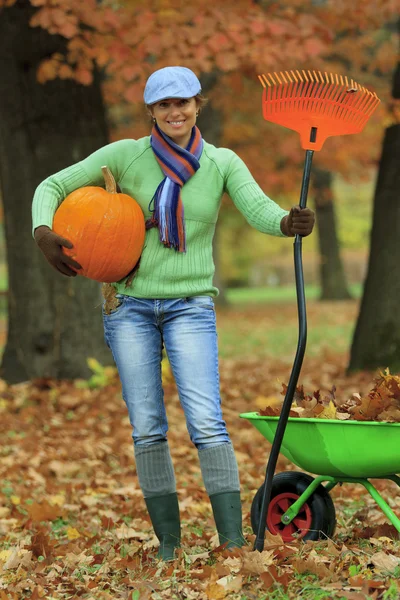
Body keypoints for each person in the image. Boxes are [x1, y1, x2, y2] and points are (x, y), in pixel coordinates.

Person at [32, 66, 315, 561]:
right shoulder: (125, 156)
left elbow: (259, 211)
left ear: (198, 105)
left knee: (206, 422)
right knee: (147, 426)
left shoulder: (221, 162)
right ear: (151, 112)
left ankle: (230, 541)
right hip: (130, 307)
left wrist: (290, 222)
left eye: (183, 102)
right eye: (164, 105)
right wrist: (42, 231)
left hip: (190, 306)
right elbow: (51, 186)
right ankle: (170, 544)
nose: (175, 112)